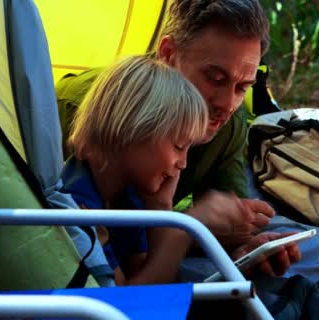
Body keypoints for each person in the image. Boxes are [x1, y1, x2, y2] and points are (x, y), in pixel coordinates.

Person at [61, 55, 300, 285]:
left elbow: (148, 274)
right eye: (178, 147)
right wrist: (185, 230)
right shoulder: (79, 210)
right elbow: (129, 305)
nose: (183, 163)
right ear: (128, 133)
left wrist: (236, 263)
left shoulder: (127, 194)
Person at [56, 0, 275, 250]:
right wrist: (189, 227)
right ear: (169, 53)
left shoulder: (227, 124)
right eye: (214, 78)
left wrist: (242, 246)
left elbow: (226, 218)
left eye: (242, 87)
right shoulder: (81, 112)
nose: (227, 104)